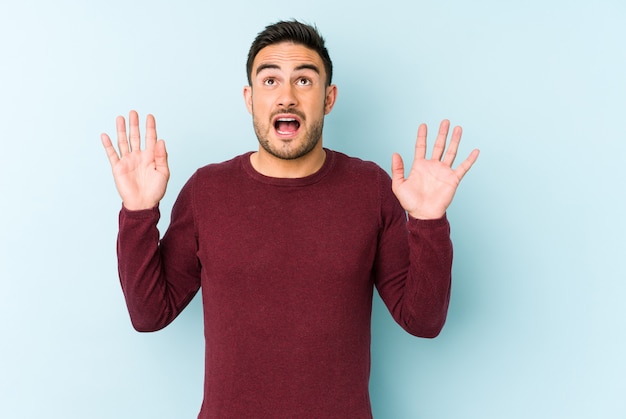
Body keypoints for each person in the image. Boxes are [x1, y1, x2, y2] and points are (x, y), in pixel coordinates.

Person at [101, 20, 479, 419]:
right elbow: (149, 315)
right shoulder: (206, 191)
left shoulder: (371, 189)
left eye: (304, 81)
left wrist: (429, 222)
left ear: (328, 98)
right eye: (269, 81)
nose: (286, 97)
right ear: (249, 98)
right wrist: (138, 214)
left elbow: (423, 321)